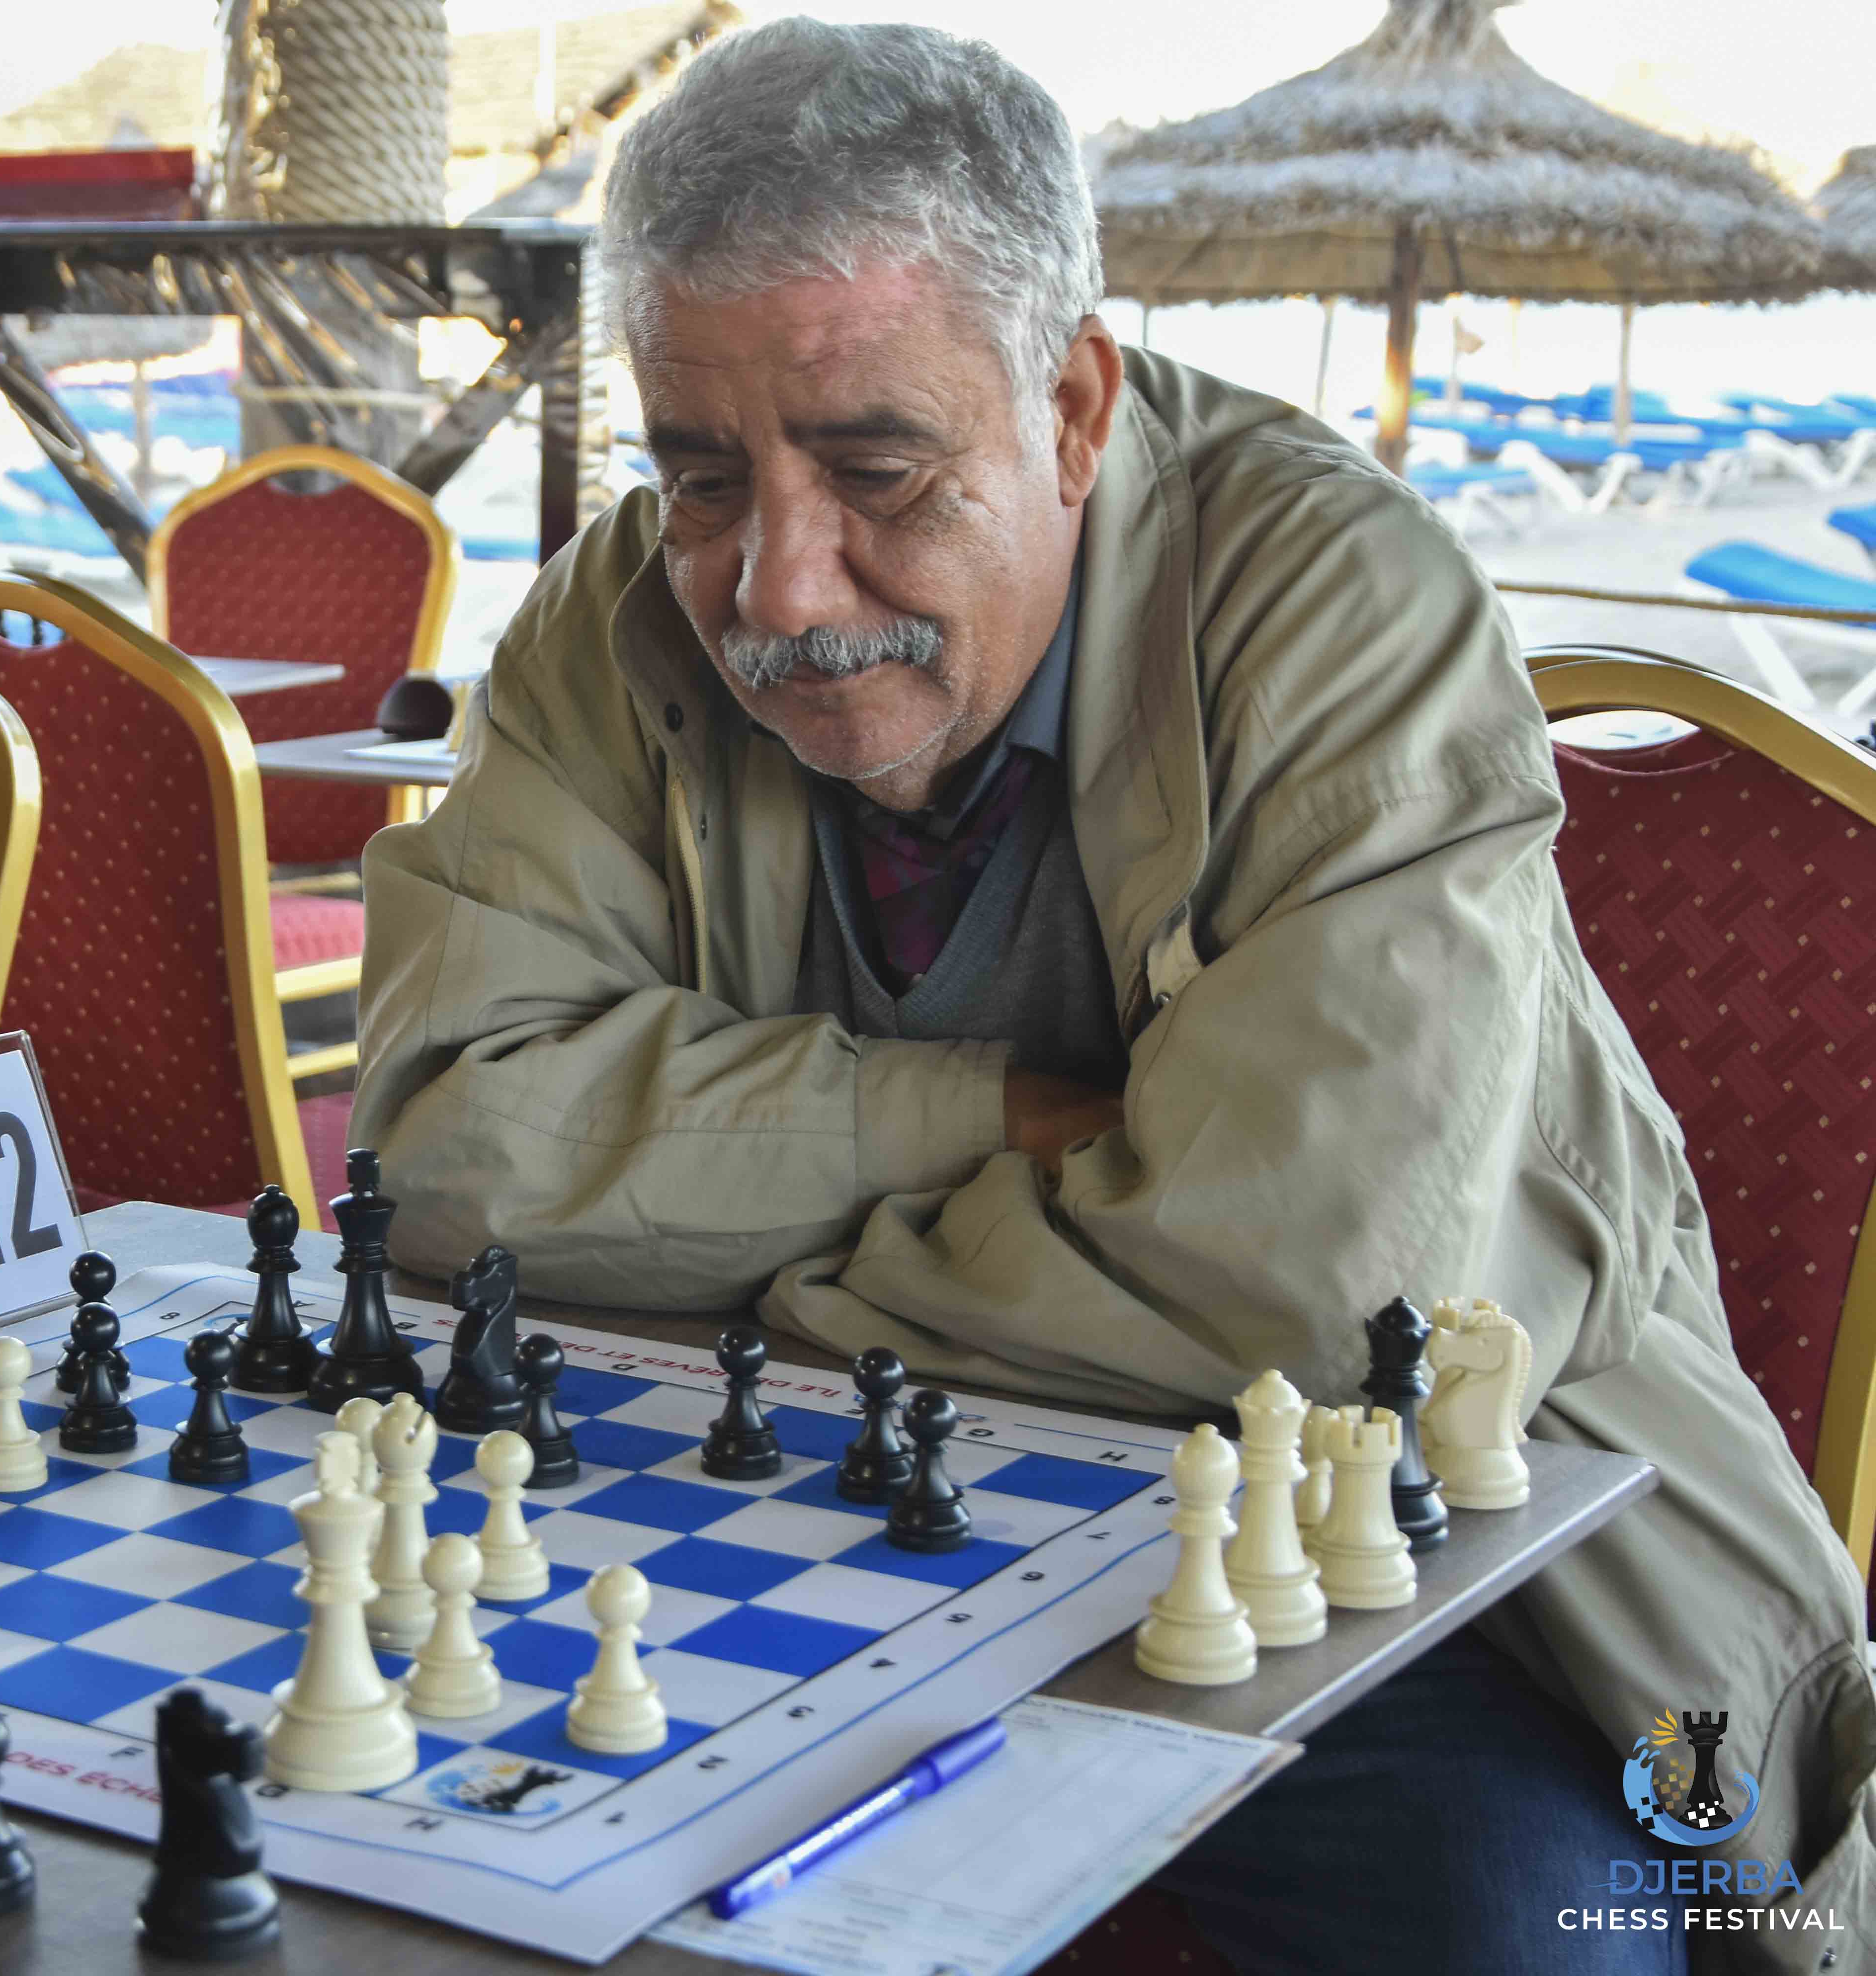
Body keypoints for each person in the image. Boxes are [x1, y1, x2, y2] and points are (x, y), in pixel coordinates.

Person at [350, 21, 1872, 1972]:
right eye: (705, 473)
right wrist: (1016, 1118)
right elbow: (448, 1158)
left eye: (878, 467)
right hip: (793, 1533)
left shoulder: (1343, 594)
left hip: (1380, 1569)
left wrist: (759, 1288)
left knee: (1527, 1947)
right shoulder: (609, 615)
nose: (778, 593)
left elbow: (1309, 1287)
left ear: (1072, 406)